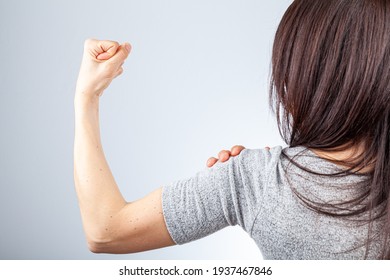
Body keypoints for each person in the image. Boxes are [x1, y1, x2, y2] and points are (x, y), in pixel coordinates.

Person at [74, 0, 390, 259]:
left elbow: (106, 231)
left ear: (303, 73)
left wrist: (87, 97)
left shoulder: (257, 179)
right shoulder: (255, 177)